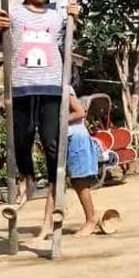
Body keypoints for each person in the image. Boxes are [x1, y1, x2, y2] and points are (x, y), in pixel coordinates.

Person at [0, 0, 79, 213]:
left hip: (51, 87)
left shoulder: (58, 13)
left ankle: (54, 188)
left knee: (52, 142)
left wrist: (74, 19)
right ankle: (27, 179)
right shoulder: (13, 14)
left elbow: (70, 41)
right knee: (22, 138)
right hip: (21, 87)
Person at [33, 85, 101, 241]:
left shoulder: (62, 87)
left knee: (79, 181)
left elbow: (80, 112)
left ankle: (91, 219)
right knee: (55, 182)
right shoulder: (39, 91)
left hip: (75, 138)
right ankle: (47, 225)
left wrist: (57, 122)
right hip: (60, 139)